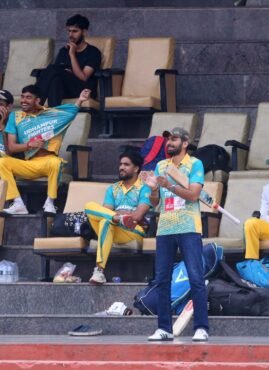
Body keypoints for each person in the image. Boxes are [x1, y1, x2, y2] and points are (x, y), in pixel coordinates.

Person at [141, 127, 209, 342]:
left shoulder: (195, 164)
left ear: (185, 143)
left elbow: (194, 195)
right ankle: (164, 328)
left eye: (174, 139)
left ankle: (201, 327)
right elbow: (155, 203)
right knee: (162, 279)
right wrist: (153, 189)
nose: (169, 143)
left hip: (189, 227)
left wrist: (169, 185)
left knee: (196, 277)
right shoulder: (161, 165)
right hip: (165, 228)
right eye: (168, 140)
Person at [0, 85, 90, 215]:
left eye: (28, 97)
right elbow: (12, 147)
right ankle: (18, 203)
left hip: (48, 162)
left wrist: (80, 100)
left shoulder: (50, 115)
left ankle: (50, 203)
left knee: (56, 163)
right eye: (22, 97)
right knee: (1, 162)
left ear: (37, 100)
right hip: (29, 163)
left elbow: (70, 113)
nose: (23, 100)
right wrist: (29, 145)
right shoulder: (15, 116)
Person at [84, 148, 151, 285]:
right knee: (90, 207)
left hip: (133, 230)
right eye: (120, 164)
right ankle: (99, 272)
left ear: (136, 168)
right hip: (114, 226)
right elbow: (106, 212)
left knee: (106, 221)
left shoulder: (145, 188)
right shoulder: (113, 188)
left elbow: (137, 216)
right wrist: (119, 217)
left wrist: (119, 215)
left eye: (126, 164)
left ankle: (99, 270)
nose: (121, 167)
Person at [35, 14, 101, 107]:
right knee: (55, 80)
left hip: (83, 90)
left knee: (53, 69)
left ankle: (34, 105)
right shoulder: (63, 51)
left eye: (75, 31)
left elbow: (83, 77)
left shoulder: (93, 52)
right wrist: (66, 73)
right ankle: (55, 115)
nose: (71, 35)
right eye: (69, 31)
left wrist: (72, 54)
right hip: (66, 88)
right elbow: (57, 72)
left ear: (84, 32)